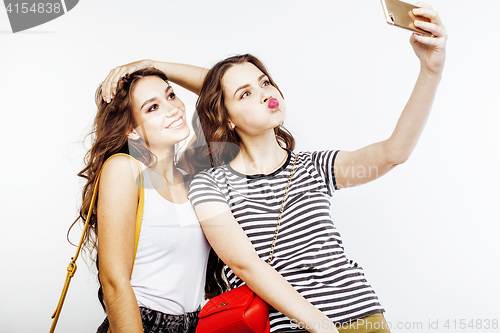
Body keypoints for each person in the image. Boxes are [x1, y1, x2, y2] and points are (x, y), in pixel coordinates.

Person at [101, 4, 447, 332]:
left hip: (363, 315)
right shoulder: (206, 183)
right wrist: (321, 325)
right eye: (246, 94)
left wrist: (431, 69)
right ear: (226, 115)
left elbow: (393, 152)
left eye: (265, 82)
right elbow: (244, 264)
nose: (265, 93)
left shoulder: (313, 166)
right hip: (290, 325)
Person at [75, 67, 210, 333]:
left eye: (170, 95)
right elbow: (115, 281)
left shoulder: (191, 174)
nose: (172, 109)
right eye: (153, 108)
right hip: (142, 323)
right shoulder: (125, 169)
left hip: (197, 324)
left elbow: (224, 87)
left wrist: (151, 61)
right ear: (131, 130)